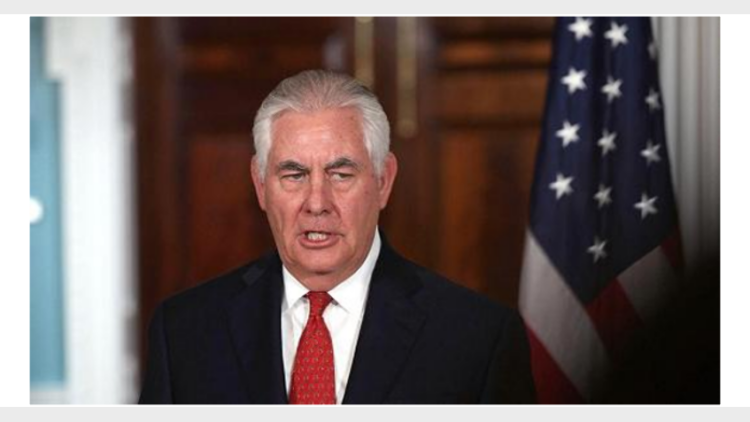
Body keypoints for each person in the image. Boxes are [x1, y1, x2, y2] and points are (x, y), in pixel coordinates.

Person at [138, 69, 536, 404]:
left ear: (383, 181)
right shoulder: (183, 333)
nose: (317, 203)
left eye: (341, 174)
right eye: (294, 174)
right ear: (260, 186)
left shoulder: (479, 340)